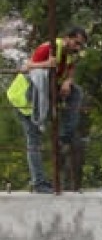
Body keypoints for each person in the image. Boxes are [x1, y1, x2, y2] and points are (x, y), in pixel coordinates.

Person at [7, 26, 88, 193]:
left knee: (76, 92)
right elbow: (28, 66)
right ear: (67, 38)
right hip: (26, 98)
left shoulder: (69, 55)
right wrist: (46, 63)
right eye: (76, 43)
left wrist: (68, 81)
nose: (78, 48)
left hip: (42, 93)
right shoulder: (49, 48)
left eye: (81, 45)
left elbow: (71, 69)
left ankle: (64, 135)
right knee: (34, 141)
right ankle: (39, 183)